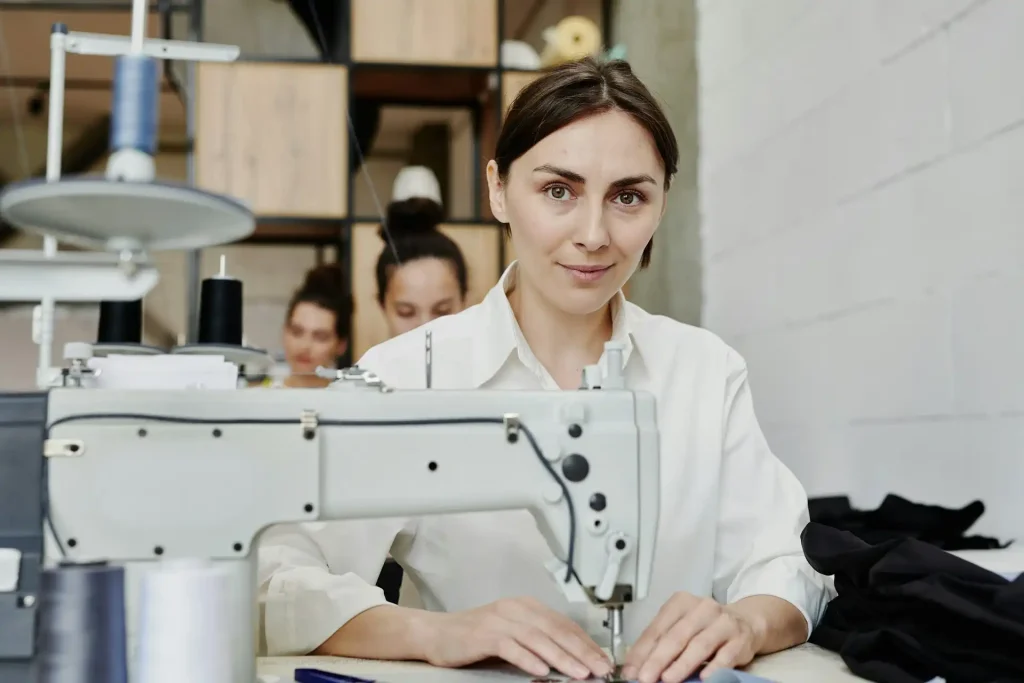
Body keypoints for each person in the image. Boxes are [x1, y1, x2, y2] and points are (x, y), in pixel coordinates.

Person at [258, 57, 833, 683]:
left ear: (663, 203)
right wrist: (438, 633)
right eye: (558, 190)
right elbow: (279, 579)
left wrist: (745, 622)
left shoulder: (706, 371)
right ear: (498, 189)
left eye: (628, 197)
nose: (593, 234)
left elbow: (784, 562)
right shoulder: (403, 376)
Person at [375, 166, 469, 339]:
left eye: (442, 311)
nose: (425, 328)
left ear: (464, 301)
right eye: (406, 313)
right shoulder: (366, 366)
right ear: (382, 305)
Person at [273, 263, 352, 388]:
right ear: (284, 331)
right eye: (297, 332)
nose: (304, 346)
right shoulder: (260, 400)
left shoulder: (349, 404)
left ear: (341, 345)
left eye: (320, 337)